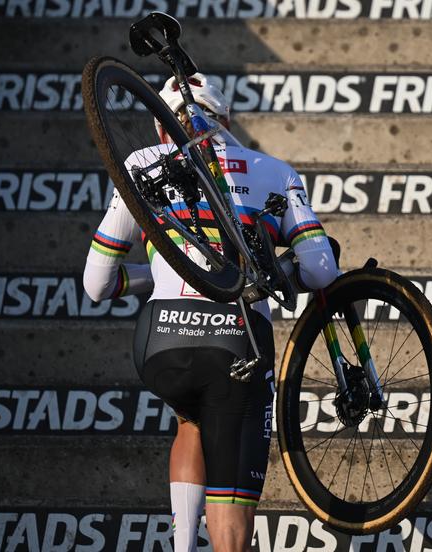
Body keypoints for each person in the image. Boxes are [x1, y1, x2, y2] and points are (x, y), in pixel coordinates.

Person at [83, 73, 339, 552]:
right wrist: (284, 273)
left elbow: (97, 284)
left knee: (191, 419)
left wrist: (157, 274)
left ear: (162, 126)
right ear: (226, 120)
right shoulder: (275, 171)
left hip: (159, 342)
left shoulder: (141, 163)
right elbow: (321, 271)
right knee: (231, 496)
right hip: (236, 343)